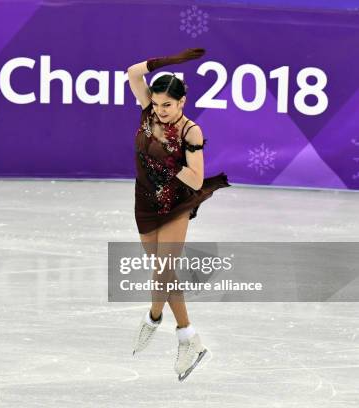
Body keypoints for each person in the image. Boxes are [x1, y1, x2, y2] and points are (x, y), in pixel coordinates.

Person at [126, 48, 230, 381]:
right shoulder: (147, 114)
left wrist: (169, 165)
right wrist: (166, 64)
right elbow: (132, 72)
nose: (160, 111)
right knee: (162, 274)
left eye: (167, 105)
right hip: (144, 201)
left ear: (182, 102)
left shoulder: (190, 132)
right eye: (156, 104)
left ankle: (185, 335)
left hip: (173, 204)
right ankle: (157, 316)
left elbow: (196, 178)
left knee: (163, 269)